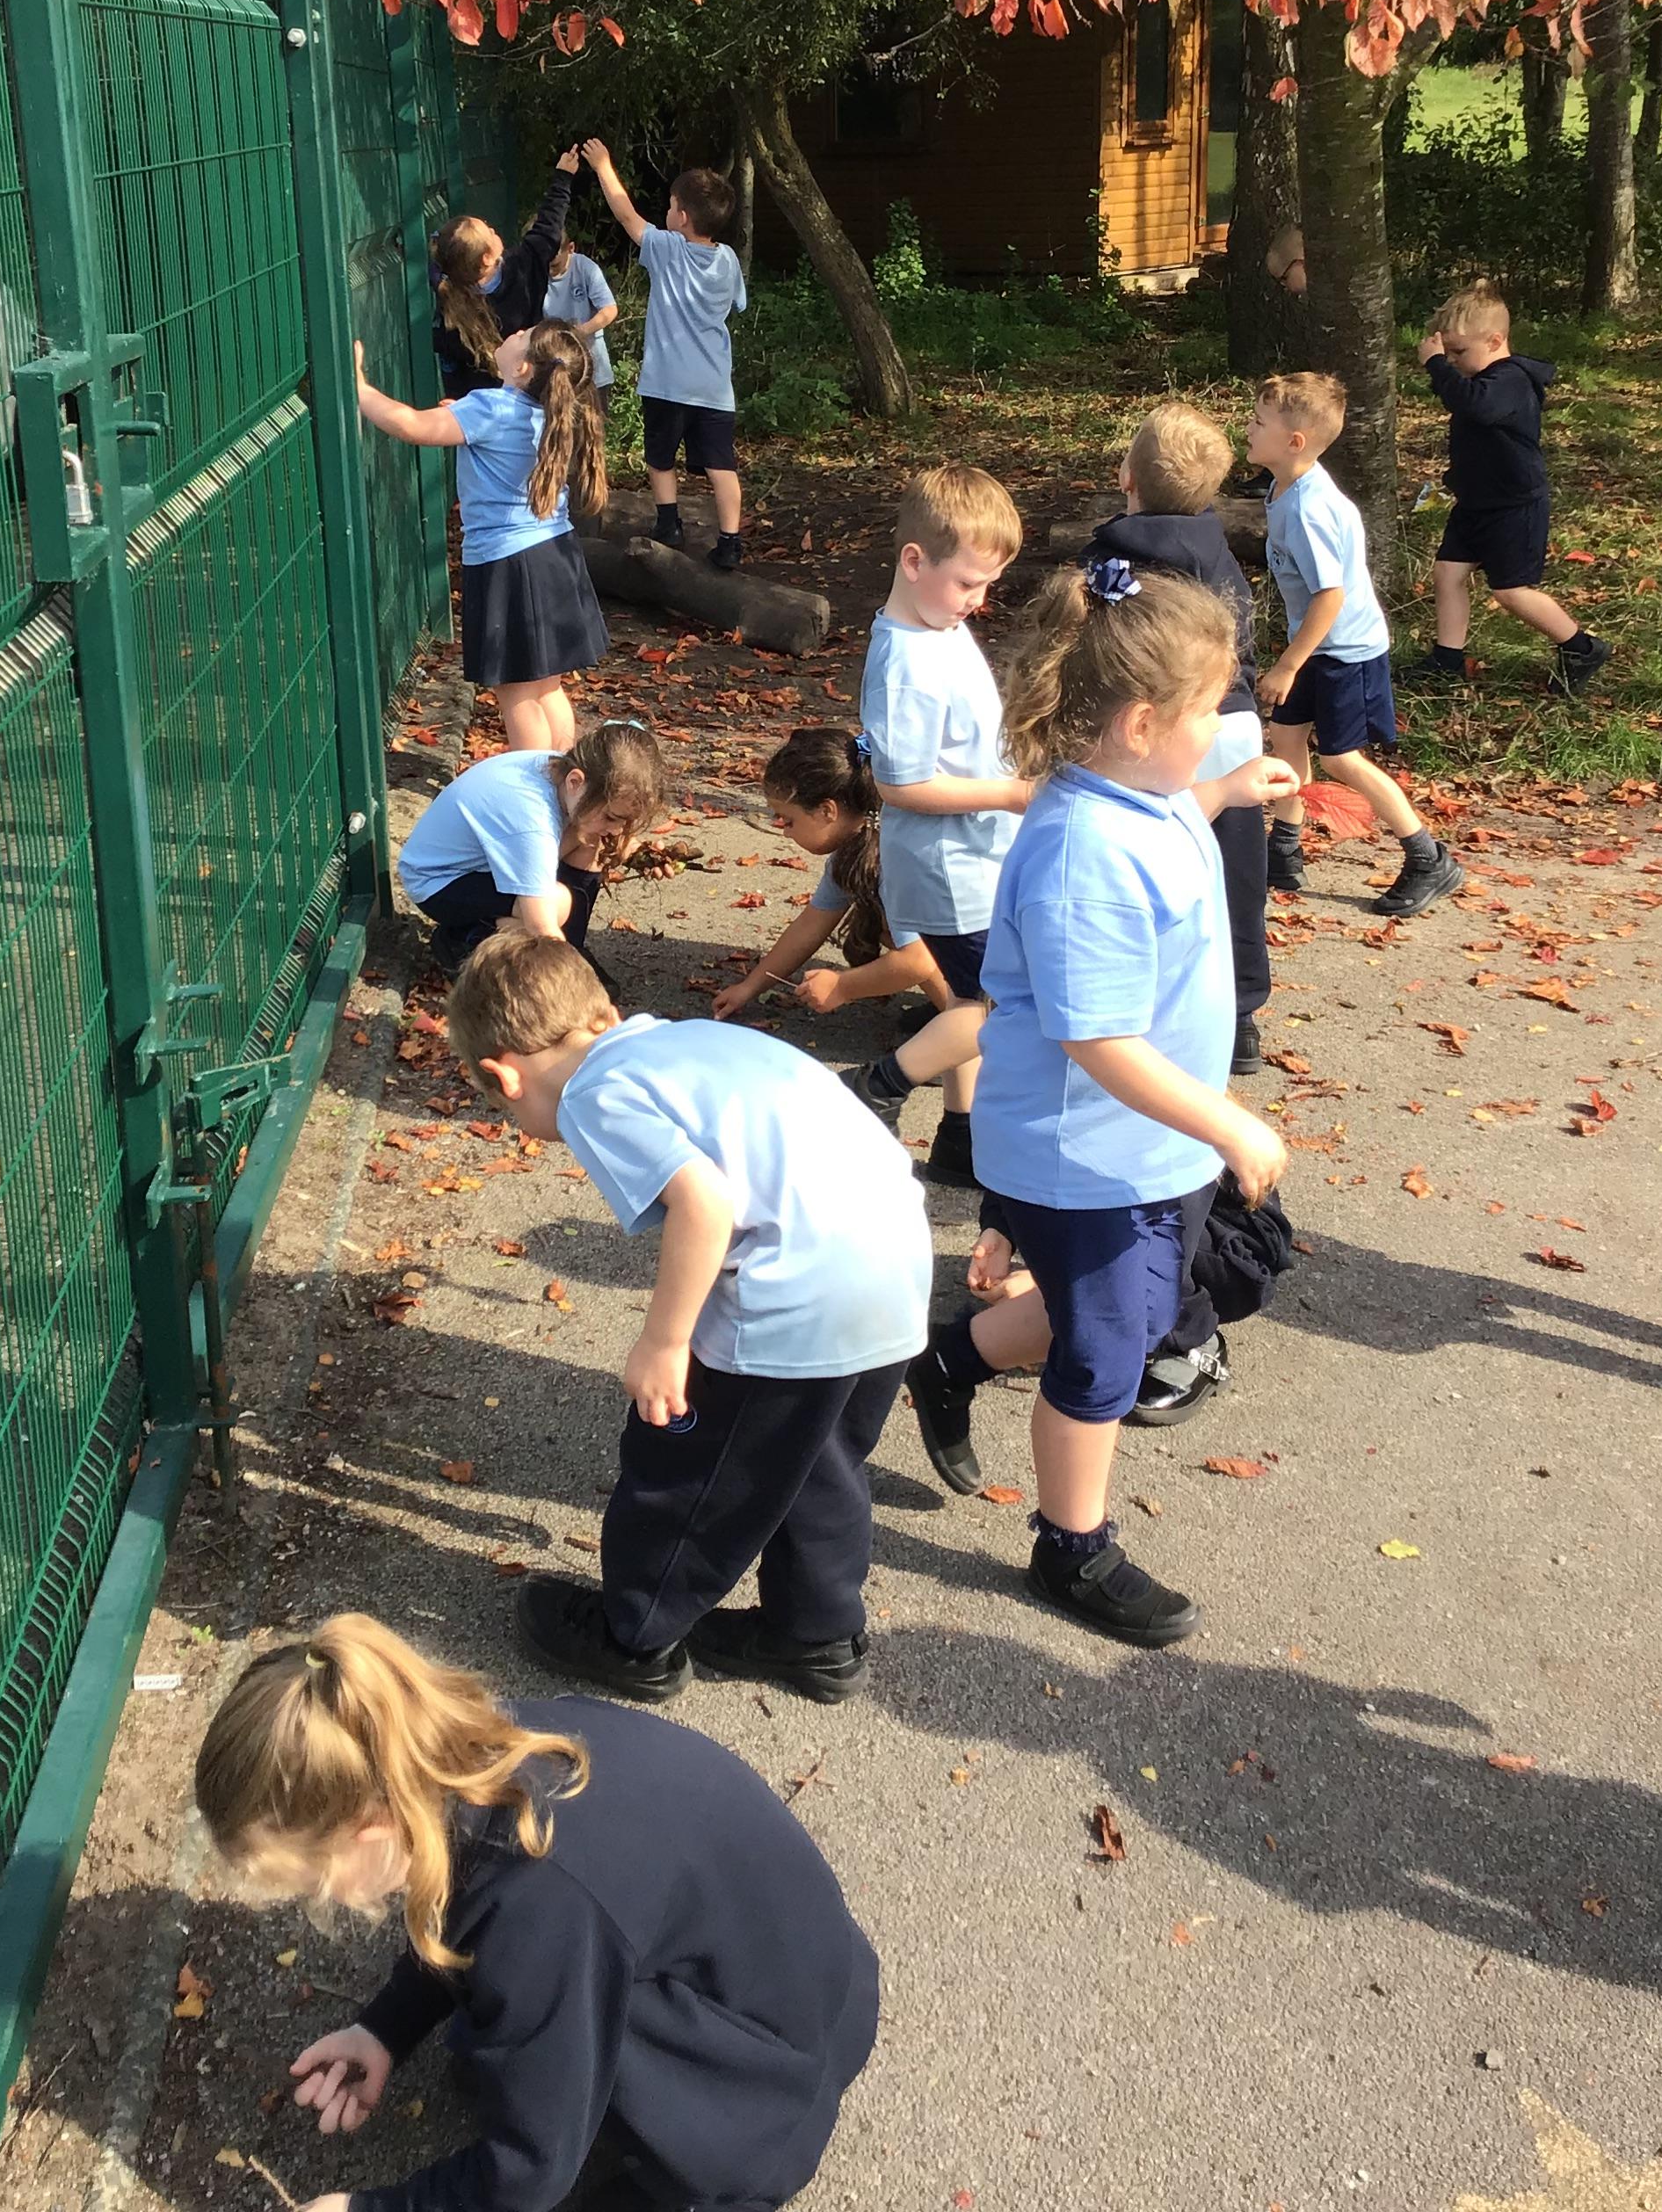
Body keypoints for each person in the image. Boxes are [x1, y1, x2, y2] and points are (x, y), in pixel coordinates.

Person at [898, 560, 1295, 1647]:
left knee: (1129, 1309)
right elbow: (1098, 1040)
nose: (1222, 728)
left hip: (1146, 1146)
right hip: (1090, 1154)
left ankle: (951, 1361)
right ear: (1140, 722)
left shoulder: (1145, 796)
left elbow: (1172, 823)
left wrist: (1222, 791)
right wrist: (1228, 1121)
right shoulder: (1084, 853)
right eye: (1207, 712)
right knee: (1107, 1350)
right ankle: (1071, 1546)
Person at [196, 1615, 879, 2212]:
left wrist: (379, 2208)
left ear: (371, 1830)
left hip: (766, 2095)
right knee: (511, 2028)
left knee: (532, 2080)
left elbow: (532, 2168)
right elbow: (454, 1893)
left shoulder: (537, 1909)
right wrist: (383, 2028)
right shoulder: (477, 1748)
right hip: (812, 1978)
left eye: (314, 1882)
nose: (324, 1900)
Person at [446, 929, 931, 1707]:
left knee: (689, 1469)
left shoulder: (593, 1092)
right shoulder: (684, 1042)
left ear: (506, 1076)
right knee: (816, 1457)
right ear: (601, 1013)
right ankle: (815, 1635)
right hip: (895, 1263)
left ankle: (634, 1637)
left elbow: (704, 1202)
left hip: (797, 1290)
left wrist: (665, 1342)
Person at [843, 464, 1031, 1191]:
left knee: (964, 1002)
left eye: (987, 586)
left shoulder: (938, 625)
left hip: (976, 857)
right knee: (999, 1007)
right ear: (915, 562)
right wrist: (1011, 793)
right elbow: (900, 782)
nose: (977, 601)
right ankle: (878, 1086)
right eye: (968, 584)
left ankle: (960, 1139)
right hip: (953, 869)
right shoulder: (908, 661)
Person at [1089, 401, 1271, 1077]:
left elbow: (1098, 643)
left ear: (1127, 476)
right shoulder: (1219, 554)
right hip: (1231, 720)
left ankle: (1138, 991)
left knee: (1138, 855)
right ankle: (1241, 1015)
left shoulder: (1111, 560)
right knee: (1235, 867)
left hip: (1154, 727)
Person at [1247, 372, 1463, 917]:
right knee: (1286, 735)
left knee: (1342, 758)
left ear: (1294, 441)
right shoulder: (1283, 488)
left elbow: (1330, 597)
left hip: (1346, 651)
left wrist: (1288, 665)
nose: (1247, 428)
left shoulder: (1310, 509)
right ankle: (1284, 850)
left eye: (1258, 422)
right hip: (1313, 646)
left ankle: (1427, 856)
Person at [358, 323, 609, 752]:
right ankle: (567, 778)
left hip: (509, 565)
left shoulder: (489, 408)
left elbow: (411, 425)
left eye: (523, 335)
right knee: (547, 687)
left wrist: (359, 388)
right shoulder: (551, 411)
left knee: (516, 693)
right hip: (556, 555)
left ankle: (531, 783)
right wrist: (463, 417)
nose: (517, 330)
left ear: (523, 367)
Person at [1417, 279, 1610, 696]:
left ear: (1495, 340)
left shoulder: (1511, 380)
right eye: (1447, 353)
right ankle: (1447, 658)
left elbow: (1477, 407)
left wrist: (1436, 366)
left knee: (1510, 591)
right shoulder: (1481, 379)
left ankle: (1581, 647)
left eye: (1458, 352)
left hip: (1514, 505)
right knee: (1448, 572)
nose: (1452, 361)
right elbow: (1464, 403)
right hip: (1476, 502)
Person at [709, 728, 954, 1026]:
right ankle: (957, 1006)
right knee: (890, 929)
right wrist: (749, 987)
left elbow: (918, 961)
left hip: (997, 966)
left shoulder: (892, 861)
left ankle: (968, 1025)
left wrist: (842, 986)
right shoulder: (859, 849)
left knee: (895, 934)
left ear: (827, 811)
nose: (785, 832)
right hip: (982, 955)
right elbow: (811, 924)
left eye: (789, 820)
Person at [579, 140, 747, 571]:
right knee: (721, 464)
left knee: (660, 456)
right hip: (714, 386)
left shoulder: (667, 248)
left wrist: (603, 166)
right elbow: (737, 304)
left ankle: (669, 524)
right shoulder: (728, 259)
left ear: (683, 217)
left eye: (671, 206)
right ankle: (731, 542)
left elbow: (626, 215)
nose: (666, 212)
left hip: (667, 382)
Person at [396, 722, 668, 976]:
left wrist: (633, 849)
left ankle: (574, 949)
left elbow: (626, 730)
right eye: (611, 817)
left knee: (588, 836)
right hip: (440, 883)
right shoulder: (531, 820)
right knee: (558, 903)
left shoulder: (585, 767)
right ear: (575, 781)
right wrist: (577, 991)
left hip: (481, 862)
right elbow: (542, 927)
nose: (617, 830)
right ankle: (467, 939)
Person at [429, 149, 582, 400]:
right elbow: (548, 229)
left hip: (482, 409)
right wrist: (563, 178)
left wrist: (456, 404)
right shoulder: (522, 267)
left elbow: (450, 368)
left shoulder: (449, 306)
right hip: (531, 392)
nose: (492, 229)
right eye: (488, 231)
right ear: (487, 258)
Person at [543, 236, 620, 411]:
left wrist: (580, 332)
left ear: (570, 248)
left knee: (595, 423)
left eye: (555, 265)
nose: (549, 269)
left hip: (592, 369)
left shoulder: (585, 267)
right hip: (553, 372)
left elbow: (610, 309)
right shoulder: (532, 269)